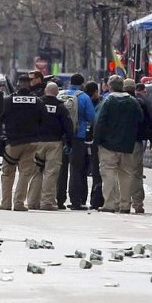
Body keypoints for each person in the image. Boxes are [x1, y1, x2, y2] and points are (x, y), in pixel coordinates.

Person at [93, 75, 143, 213]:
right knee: (126, 175)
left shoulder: (107, 101)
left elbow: (99, 121)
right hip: (127, 145)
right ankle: (125, 205)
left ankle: (110, 204)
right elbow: (140, 119)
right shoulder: (133, 101)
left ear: (109, 86)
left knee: (108, 173)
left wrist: (96, 141)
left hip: (108, 145)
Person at [0, 74, 47, 211]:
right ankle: (19, 203)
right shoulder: (37, 101)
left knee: (8, 172)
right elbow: (44, 120)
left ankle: (6, 203)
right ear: (30, 84)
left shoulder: (8, 101)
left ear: (18, 84)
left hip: (13, 142)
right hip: (31, 142)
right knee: (25, 173)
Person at [27, 82, 73, 211]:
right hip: (54, 143)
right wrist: (69, 143)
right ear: (57, 92)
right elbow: (67, 126)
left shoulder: (37, 104)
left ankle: (32, 201)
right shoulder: (60, 107)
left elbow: (30, 121)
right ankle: (47, 202)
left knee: (36, 172)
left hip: (37, 142)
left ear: (45, 90)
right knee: (51, 173)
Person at [56, 73, 98, 211]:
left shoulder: (60, 95)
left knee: (61, 169)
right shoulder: (84, 97)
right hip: (77, 137)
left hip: (61, 137)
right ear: (82, 84)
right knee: (76, 169)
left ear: (70, 82)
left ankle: (59, 199)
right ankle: (75, 201)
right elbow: (92, 117)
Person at [125, 79, 152, 214]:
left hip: (118, 142)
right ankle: (137, 202)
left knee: (120, 172)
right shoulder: (142, 102)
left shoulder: (114, 100)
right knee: (136, 173)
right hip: (136, 141)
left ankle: (122, 202)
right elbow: (150, 122)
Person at [84, 81, 105, 209]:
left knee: (81, 171)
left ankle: (84, 199)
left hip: (82, 138)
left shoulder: (81, 99)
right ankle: (96, 200)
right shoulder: (102, 103)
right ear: (95, 92)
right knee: (97, 172)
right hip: (95, 141)